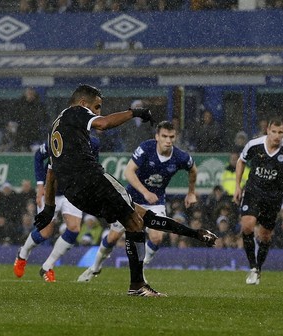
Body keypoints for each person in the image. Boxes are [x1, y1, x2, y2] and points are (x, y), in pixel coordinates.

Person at [33, 84, 217, 297]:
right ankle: (137, 285)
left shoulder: (58, 127)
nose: (98, 112)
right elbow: (103, 124)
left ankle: (193, 235)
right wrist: (134, 112)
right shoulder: (77, 111)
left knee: (137, 218)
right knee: (137, 221)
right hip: (91, 180)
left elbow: (51, 172)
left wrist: (49, 208)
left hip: (75, 194)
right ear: (84, 104)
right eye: (97, 106)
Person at [77, 120, 199, 283]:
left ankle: (140, 268)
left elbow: (193, 170)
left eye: (171, 137)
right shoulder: (146, 148)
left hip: (155, 202)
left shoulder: (180, 157)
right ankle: (94, 267)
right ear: (157, 137)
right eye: (164, 136)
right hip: (131, 199)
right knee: (113, 238)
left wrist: (191, 192)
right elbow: (128, 172)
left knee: (156, 237)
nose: (168, 140)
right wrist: (145, 192)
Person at [13, 135, 100, 282]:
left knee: (74, 228)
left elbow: (93, 165)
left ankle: (48, 266)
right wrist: (40, 185)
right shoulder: (58, 137)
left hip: (72, 191)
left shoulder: (93, 142)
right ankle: (23, 253)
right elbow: (38, 156)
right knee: (45, 232)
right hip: (51, 190)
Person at [233, 118, 283, 285]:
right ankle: (253, 268)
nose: (277, 136)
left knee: (264, 236)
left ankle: (258, 268)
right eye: (274, 132)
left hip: (273, 197)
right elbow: (241, 161)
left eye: (280, 133)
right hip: (253, 192)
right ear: (268, 131)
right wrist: (237, 185)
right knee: (247, 225)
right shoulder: (254, 145)